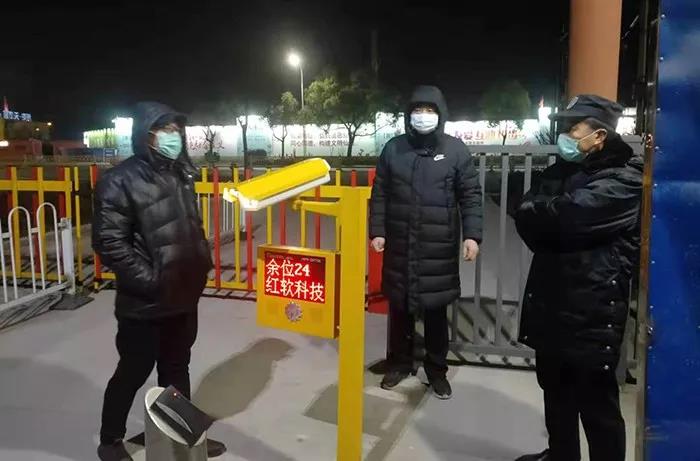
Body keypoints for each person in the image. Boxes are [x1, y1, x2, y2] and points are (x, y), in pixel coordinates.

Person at [93, 102, 226, 461]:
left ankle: (181, 437)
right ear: (146, 133)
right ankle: (110, 440)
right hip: (145, 301)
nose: (174, 136)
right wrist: (152, 281)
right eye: (165, 129)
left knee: (176, 367)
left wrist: (199, 265)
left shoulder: (181, 174)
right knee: (133, 371)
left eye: (176, 129)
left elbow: (190, 228)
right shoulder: (119, 180)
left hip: (183, 295)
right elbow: (109, 243)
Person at [514, 95, 642, 461]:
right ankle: (561, 456)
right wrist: (546, 217)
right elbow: (525, 215)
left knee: (598, 408)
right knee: (556, 395)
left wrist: (546, 216)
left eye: (574, 128)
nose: (566, 135)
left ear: (599, 136)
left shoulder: (625, 179)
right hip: (551, 304)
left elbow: (568, 218)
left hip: (593, 312)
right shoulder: (560, 172)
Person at [369, 85, 483, 400]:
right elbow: (380, 193)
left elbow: (470, 195)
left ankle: (437, 371)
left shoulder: (456, 150)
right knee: (400, 309)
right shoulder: (394, 149)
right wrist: (377, 230)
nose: (423, 116)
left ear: (440, 114)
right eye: (417, 110)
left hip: (438, 246)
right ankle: (399, 363)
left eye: (429, 110)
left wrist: (472, 235)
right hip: (400, 244)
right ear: (409, 115)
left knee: (435, 313)